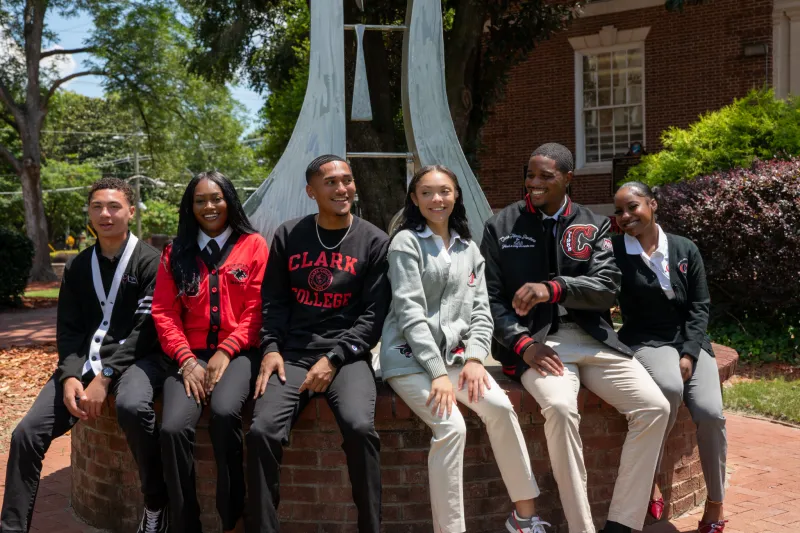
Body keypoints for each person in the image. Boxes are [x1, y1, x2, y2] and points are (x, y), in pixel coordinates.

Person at [480, 143, 670, 533]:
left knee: (655, 408)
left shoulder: (593, 222)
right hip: (538, 344)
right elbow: (489, 299)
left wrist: (554, 288)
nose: (533, 183)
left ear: (568, 179)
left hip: (593, 339)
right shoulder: (501, 225)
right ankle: (582, 527)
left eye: (545, 177)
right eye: (529, 174)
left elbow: (606, 288)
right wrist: (522, 345)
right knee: (563, 410)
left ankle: (621, 522)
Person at [380, 165, 548, 533]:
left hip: (457, 360)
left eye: (444, 191)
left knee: (502, 408)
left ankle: (523, 518)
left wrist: (474, 358)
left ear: (455, 195)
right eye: (427, 192)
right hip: (409, 360)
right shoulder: (406, 243)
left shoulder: (468, 247)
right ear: (414, 199)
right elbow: (408, 313)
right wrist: (437, 373)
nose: (436, 199)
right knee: (452, 428)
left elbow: (481, 312)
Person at [1, 178, 169, 533]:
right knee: (26, 434)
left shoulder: (152, 263)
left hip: (137, 360)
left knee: (133, 408)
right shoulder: (77, 267)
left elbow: (147, 329)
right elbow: (70, 330)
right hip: (85, 364)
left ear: (131, 212)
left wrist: (105, 378)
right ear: (89, 213)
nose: (105, 214)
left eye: (114, 207)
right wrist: (71, 376)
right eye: (97, 207)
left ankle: (156, 502)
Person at [247, 154, 390, 533]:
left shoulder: (374, 241)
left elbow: (373, 317)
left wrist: (335, 357)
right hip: (291, 354)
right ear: (312, 191)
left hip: (346, 358)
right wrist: (271, 348)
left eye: (347, 180)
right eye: (331, 182)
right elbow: (273, 302)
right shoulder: (288, 234)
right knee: (262, 432)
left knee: (360, 429)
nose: (341, 188)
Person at [151, 171, 268, 533]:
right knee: (172, 428)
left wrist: (228, 350)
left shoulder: (254, 245)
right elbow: (164, 312)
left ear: (230, 200)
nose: (209, 206)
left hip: (239, 353)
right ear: (190, 207)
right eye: (200, 200)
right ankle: (186, 522)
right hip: (189, 355)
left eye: (216, 198)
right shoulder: (175, 252)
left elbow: (258, 309)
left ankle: (231, 513)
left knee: (223, 412)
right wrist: (186, 360)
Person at [612, 182, 726, 533]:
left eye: (632, 207)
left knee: (710, 413)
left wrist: (690, 353)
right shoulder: (615, 251)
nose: (626, 216)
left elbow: (699, 305)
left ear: (653, 204)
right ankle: (651, 481)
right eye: (618, 211)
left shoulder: (684, 248)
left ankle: (716, 501)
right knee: (668, 387)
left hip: (689, 340)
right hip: (646, 339)